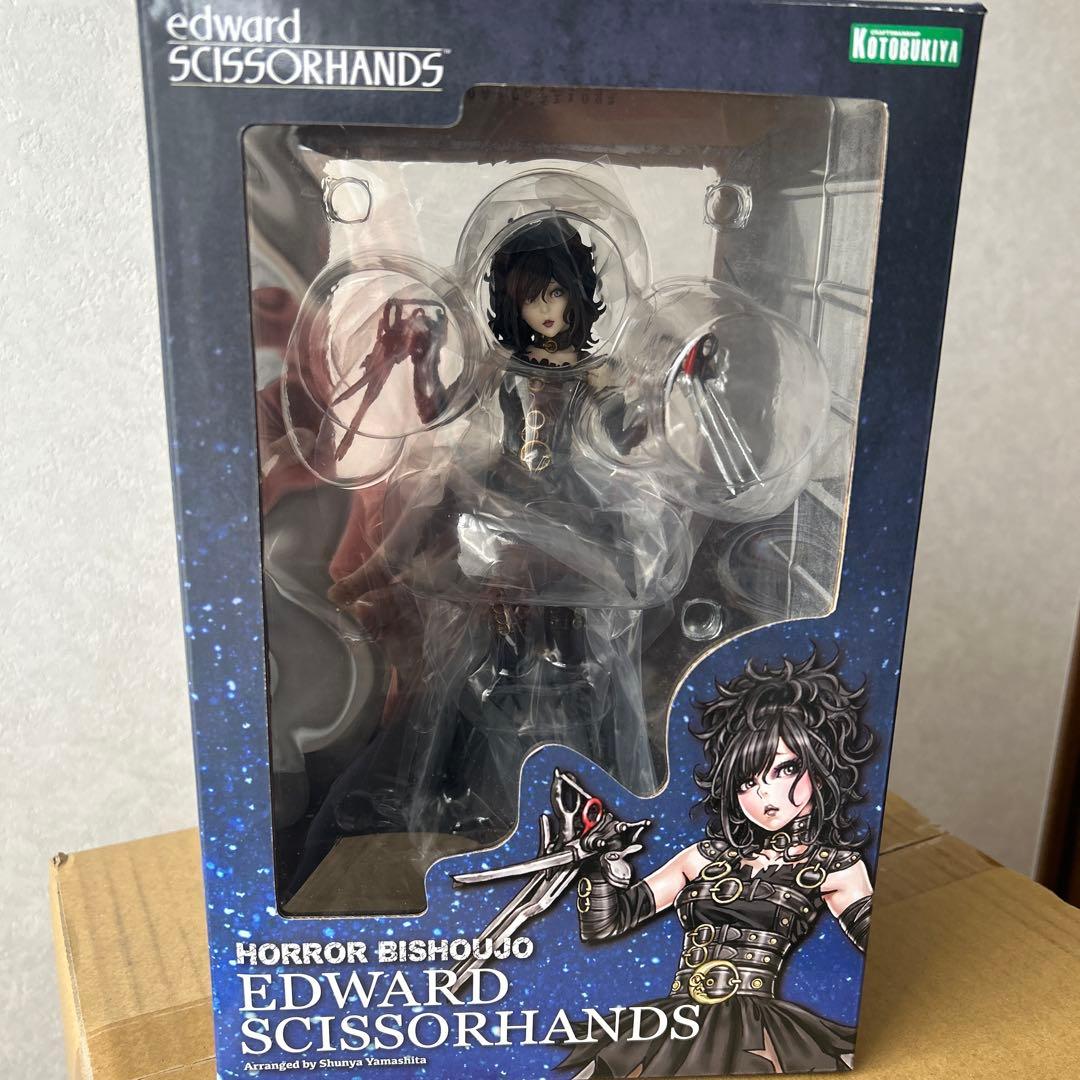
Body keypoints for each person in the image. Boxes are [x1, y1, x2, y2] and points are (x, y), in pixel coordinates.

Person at [560, 649, 875, 1076]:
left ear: (818, 770)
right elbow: (605, 925)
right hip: (678, 1020)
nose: (763, 795)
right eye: (747, 780)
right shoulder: (703, 857)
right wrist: (600, 863)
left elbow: (877, 944)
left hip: (756, 1025)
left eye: (784, 770)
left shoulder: (835, 866)